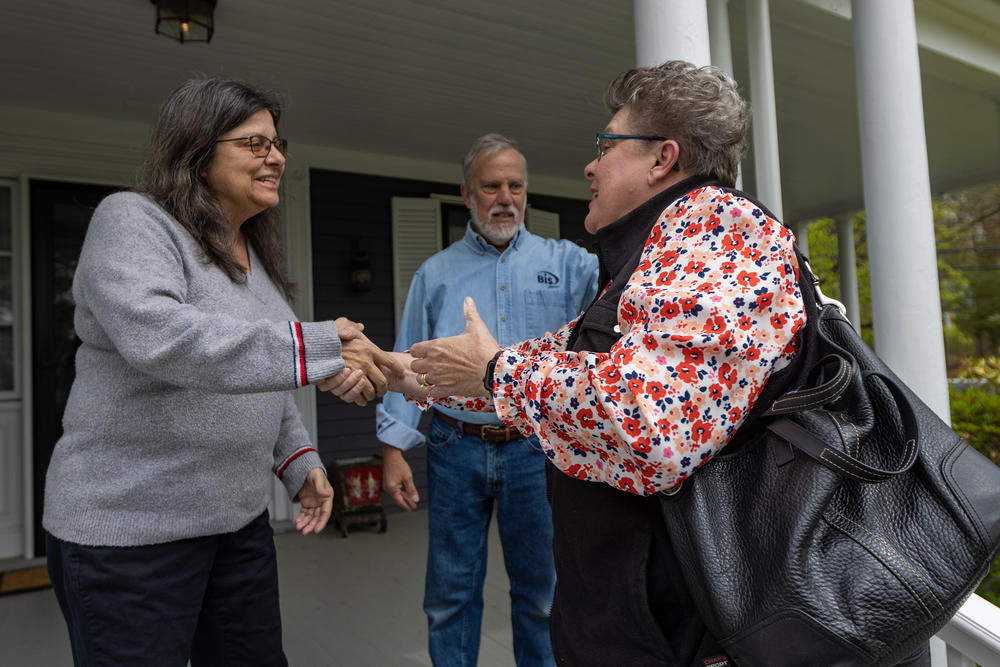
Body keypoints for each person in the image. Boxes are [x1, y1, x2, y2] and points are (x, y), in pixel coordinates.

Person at [387, 62, 929, 666]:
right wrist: (412, 372)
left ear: (661, 158)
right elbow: (559, 363)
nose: (590, 167)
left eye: (605, 145)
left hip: (693, 634)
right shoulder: (662, 254)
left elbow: (651, 425)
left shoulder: (721, 242)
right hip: (644, 622)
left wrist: (496, 372)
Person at [42, 77, 400, 666]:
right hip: (129, 533)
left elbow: (263, 374)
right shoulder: (133, 220)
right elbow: (162, 337)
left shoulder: (251, 255)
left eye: (278, 143)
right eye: (255, 144)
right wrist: (318, 348)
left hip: (237, 526)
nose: (277, 157)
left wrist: (300, 461)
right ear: (197, 149)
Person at [375, 134, 599, 666]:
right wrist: (393, 449)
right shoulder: (435, 273)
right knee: (449, 596)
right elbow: (406, 361)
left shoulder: (569, 265)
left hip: (535, 448)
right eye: (491, 185)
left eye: (515, 185)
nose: (505, 197)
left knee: (542, 597)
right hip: (456, 447)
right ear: (467, 194)